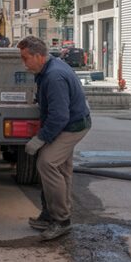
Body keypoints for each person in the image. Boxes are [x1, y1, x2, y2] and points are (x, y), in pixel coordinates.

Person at [17, 35, 92, 241]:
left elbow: (59, 116)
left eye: (25, 58)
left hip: (72, 126)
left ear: (38, 56)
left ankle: (61, 220)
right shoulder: (48, 69)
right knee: (61, 168)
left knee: (47, 163)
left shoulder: (54, 76)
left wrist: (40, 139)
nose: (23, 63)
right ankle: (52, 214)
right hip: (71, 123)